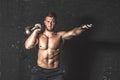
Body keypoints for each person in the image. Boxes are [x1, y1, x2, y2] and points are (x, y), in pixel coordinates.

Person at [24, 12, 93, 80]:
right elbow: (27, 46)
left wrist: (82, 27)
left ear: (56, 22)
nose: (50, 24)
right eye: (48, 21)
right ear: (44, 22)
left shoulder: (60, 35)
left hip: (55, 72)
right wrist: (35, 31)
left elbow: (73, 33)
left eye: (52, 22)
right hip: (39, 71)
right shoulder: (38, 36)